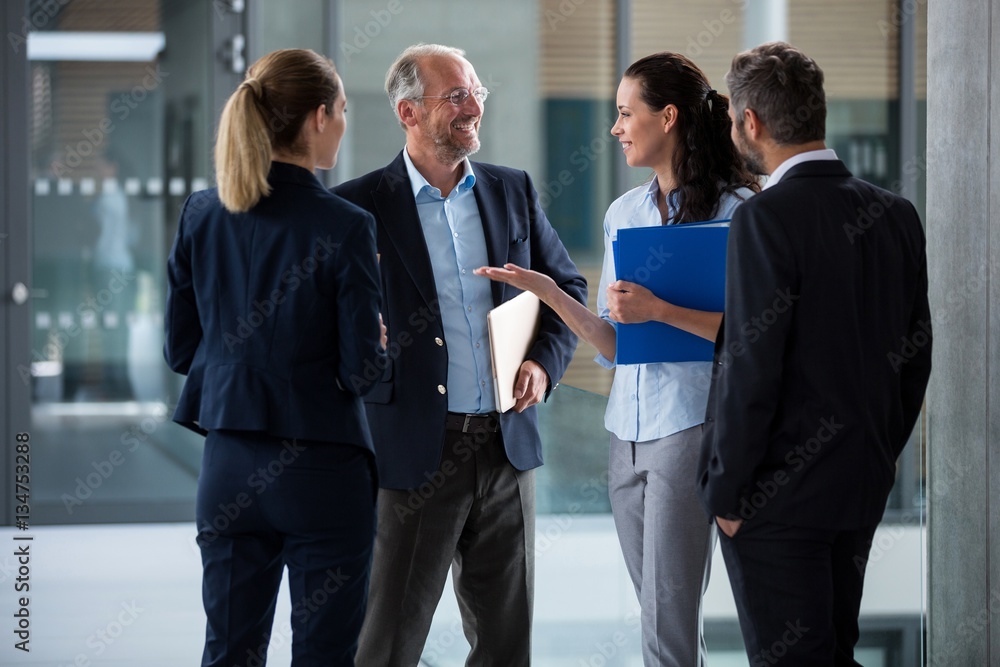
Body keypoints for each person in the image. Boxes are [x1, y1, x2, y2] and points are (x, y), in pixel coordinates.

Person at [477, 52, 758, 666]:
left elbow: (751, 336)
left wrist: (660, 310)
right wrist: (550, 292)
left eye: (627, 113)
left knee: (668, 614)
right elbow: (614, 344)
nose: (616, 128)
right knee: (657, 610)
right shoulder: (624, 215)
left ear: (670, 117)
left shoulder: (740, 214)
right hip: (623, 435)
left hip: (691, 427)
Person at [332, 43, 586, 665]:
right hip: (412, 456)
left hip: (507, 450)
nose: (473, 106)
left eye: (477, 92)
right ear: (407, 113)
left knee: (506, 649)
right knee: (387, 644)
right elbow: (325, 333)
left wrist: (543, 366)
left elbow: (568, 292)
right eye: (455, 96)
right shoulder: (355, 208)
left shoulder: (512, 191)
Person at [696, 41, 932, 666]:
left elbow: (751, 369)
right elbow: (915, 361)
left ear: (751, 122)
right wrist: (876, 457)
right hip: (858, 489)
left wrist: (727, 497)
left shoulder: (765, 218)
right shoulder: (896, 214)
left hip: (774, 502)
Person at [163, 49, 386, 666]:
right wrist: (379, 343)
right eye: (341, 111)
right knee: (322, 656)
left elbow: (181, 349)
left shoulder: (202, 213)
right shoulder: (346, 225)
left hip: (228, 465)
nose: (343, 124)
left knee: (229, 652)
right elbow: (362, 372)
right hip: (322, 472)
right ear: (318, 117)